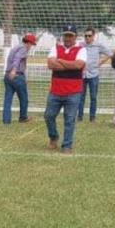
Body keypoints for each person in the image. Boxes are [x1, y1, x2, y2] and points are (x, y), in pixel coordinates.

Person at [44, 24, 87, 154]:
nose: (68, 38)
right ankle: (54, 137)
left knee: (69, 119)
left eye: (70, 35)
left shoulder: (81, 50)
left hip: (73, 92)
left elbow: (79, 65)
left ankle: (67, 145)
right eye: (66, 35)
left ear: (75, 37)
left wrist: (61, 60)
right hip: (55, 91)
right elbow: (51, 64)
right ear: (62, 36)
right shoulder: (55, 47)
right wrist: (70, 65)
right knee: (48, 116)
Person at [78, 27, 113, 122]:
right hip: (82, 75)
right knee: (81, 97)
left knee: (93, 97)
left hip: (94, 75)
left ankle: (92, 117)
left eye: (89, 36)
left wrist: (101, 62)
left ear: (93, 36)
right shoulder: (80, 45)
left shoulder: (98, 45)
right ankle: (79, 117)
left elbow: (110, 54)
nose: (87, 37)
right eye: (85, 36)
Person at [2, 33, 36, 124]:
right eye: (32, 44)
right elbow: (17, 59)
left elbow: (20, 63)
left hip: (7, 76)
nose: (31, 47)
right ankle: (23, 117)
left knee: (8, 99)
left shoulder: (15, 48)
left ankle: (6, 120)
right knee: (24, 98)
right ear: (28, 43)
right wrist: (14, 71)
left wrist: (24, 76)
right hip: (16, 76)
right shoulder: (23, 48)